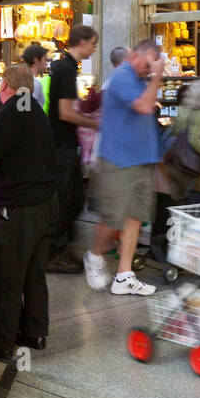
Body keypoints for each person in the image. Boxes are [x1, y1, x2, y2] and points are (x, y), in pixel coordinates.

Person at [0, 64, 58, 361]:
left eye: (0, 86)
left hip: (21, 207)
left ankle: (0, 343)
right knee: (34, 274)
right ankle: (35, 333)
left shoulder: (16, 108)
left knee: (8, 274)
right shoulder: (35, 109)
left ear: (7, 85)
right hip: (46, 204)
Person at [84, 39, 163, 296]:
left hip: (140, 159)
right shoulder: (122, 75)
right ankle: (94, 255)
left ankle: (124, 275)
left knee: (135, 217)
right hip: (118, 160)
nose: (148, 68)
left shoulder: (141, 79)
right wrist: (157, 76)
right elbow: (143, 106)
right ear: (134, 55)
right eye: (146, 63)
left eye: (152, 65)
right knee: (115, 217)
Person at [46, 26, 99, 273]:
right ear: (82, 43)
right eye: (93, 44)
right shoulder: (66, 69)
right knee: (66, 199)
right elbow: (65, 113)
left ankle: (63, 247)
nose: (94, 49)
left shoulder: (65, 67)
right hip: (62, 145)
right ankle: (55, 252)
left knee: (75, 198)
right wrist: (94, 123)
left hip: (63, 144)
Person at [21, 42, 50, 112]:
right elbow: (25, 109)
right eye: (45, 59)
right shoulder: (34, 82)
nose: (46, 63)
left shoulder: (23, 79)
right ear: (36, 60)